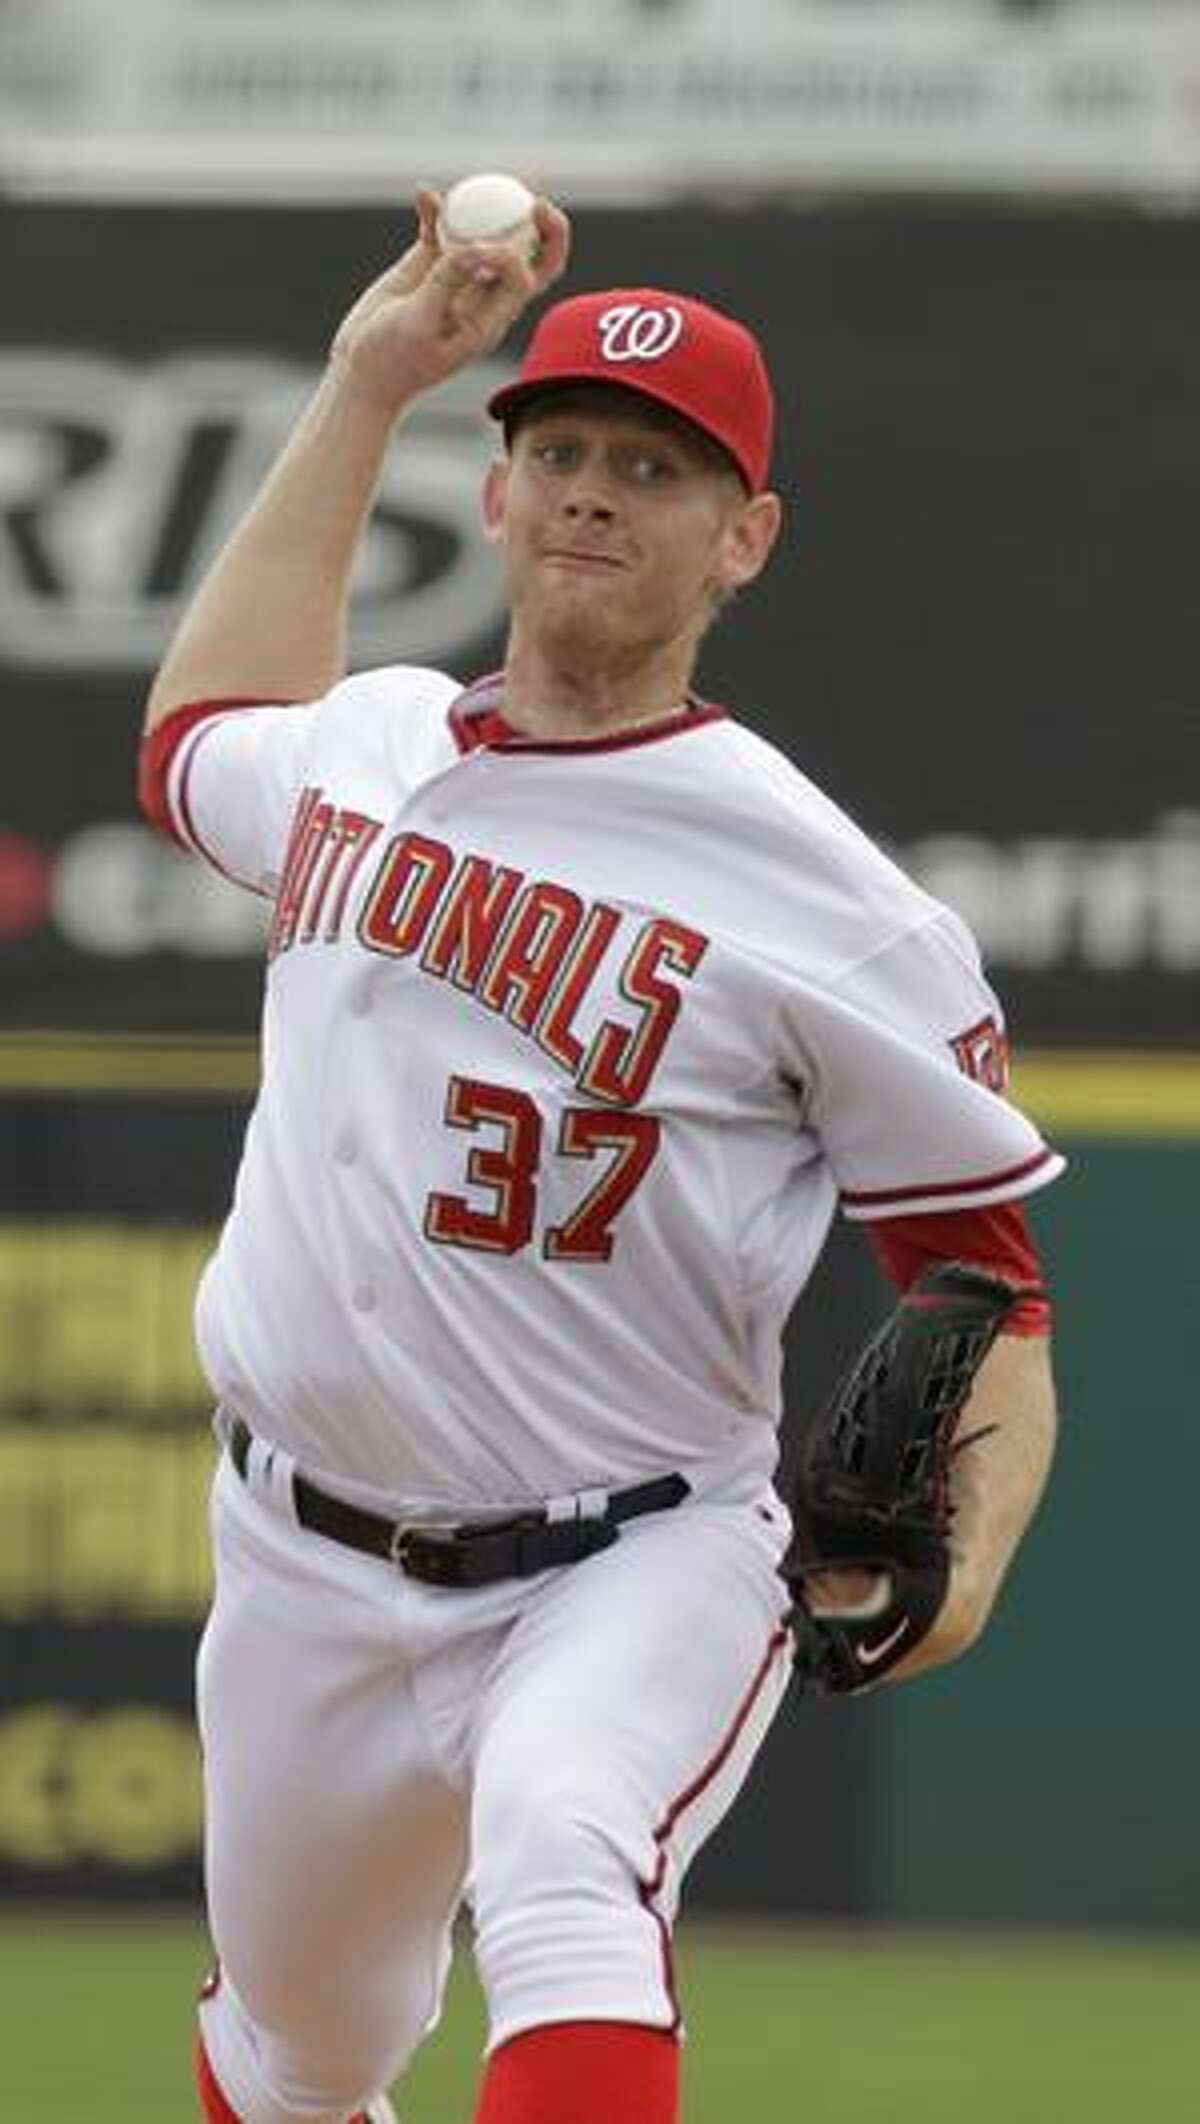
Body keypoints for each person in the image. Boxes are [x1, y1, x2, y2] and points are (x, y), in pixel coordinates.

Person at [138, 187, 1062, 2124]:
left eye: (652, 468)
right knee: (290, 2067)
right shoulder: (366, 746)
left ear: (744, 537)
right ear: (495, 498)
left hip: (626, 1559)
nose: (588, 491)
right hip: (297, 1557)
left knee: (570, 1858)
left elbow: (993, 1295)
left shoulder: (833, 906)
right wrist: (372, 379)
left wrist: (961, 1567)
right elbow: (197, 735)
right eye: (556, 449)